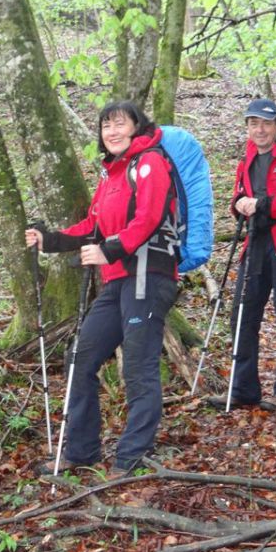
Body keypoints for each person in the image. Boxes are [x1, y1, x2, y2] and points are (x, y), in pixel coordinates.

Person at [25, 101, 178, 478]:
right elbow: (93, 226)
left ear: (136, 127)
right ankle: (81, 450)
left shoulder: (151, 163)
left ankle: (131, 459)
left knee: (139, 368)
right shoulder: (112, 175)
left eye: (118, 124)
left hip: (147, 275)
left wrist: (108, 250)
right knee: (81, 357)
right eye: (105, 126)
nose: (110, 132)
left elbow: (149, 218)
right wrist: (52, 240)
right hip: (117, 279)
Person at [207, 99, 276, 412]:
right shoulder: (247, 158)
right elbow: (238, 196)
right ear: (247, 127)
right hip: (255, 242)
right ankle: (243, 388)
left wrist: (264, 204)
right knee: (242, 314)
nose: (260, 129)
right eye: (254, 123)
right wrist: (240, 204)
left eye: (266, 123)